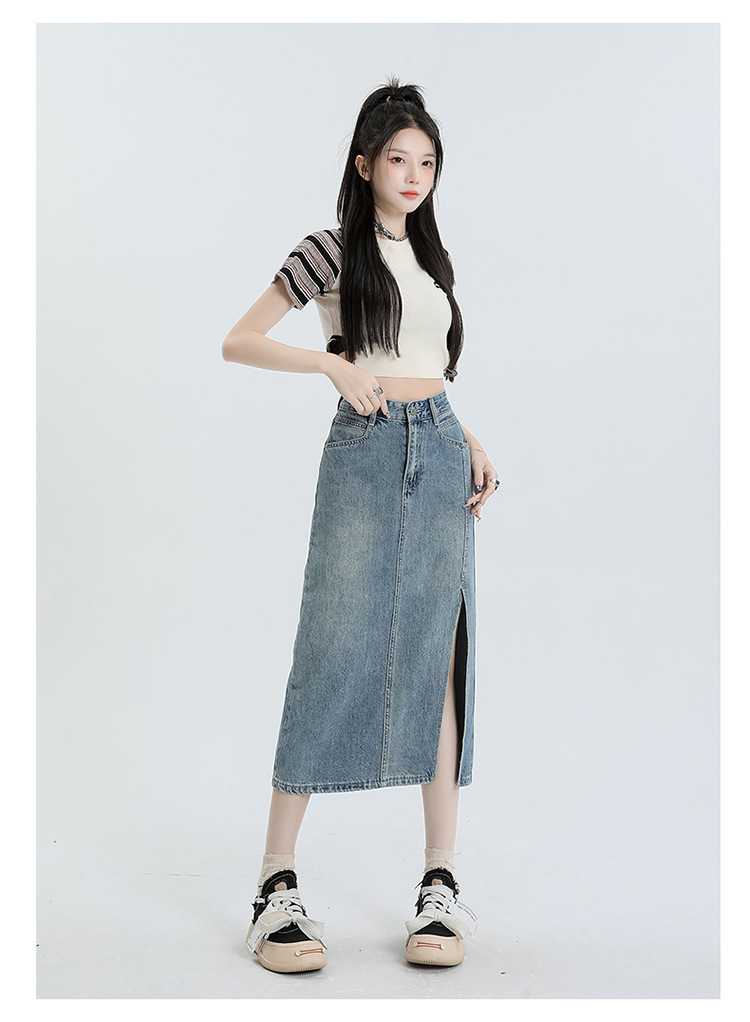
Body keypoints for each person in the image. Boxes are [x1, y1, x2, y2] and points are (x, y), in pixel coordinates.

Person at [222, 77, 501, 973]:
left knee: (439, 654)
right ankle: (275, 883)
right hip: (366, 451)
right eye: (398, 159)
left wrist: (469, 439)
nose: (414, 175)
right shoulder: (331, 250)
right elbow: (239, 338)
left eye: (428, 162)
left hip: (442, 448)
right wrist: (329, 367)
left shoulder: (431, 257)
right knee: (332, 648)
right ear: (364, 163)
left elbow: (426, 368)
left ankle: (440, 881)